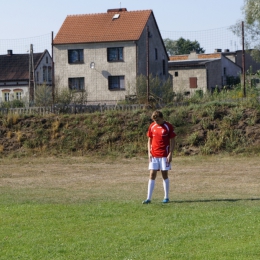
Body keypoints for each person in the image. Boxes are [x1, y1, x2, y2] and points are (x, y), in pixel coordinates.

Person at [142, 110, 176, 204]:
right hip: (154, 155)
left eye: (157, 120)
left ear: (162, 118)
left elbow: (173, 140)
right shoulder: (152, 126)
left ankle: (166, 197)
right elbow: (149, 140)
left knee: (164, 175)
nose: (156, 122)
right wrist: (149, 152)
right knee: (152, 174)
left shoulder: (168, 126)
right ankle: (148, 198)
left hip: (164, 155)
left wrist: (170, 153)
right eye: (154, 121)